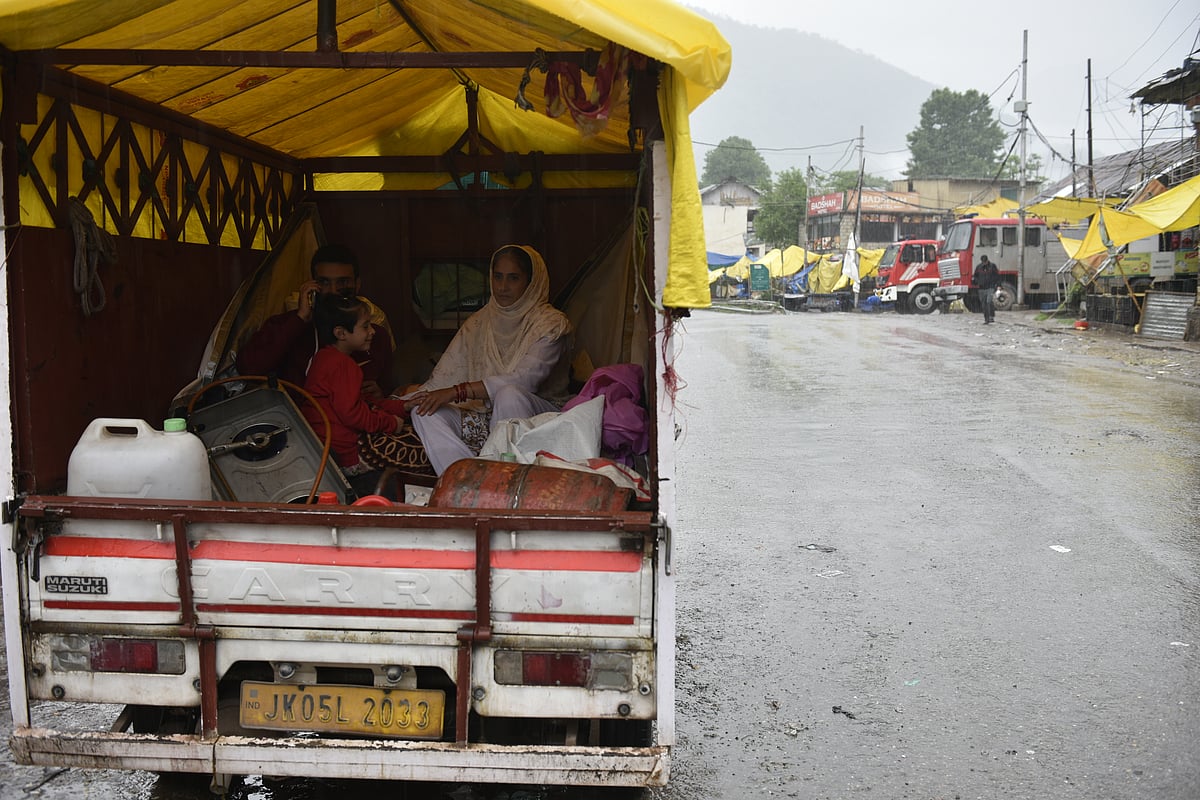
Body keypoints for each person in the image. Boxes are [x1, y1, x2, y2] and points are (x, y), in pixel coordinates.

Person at [408, 244, 572, 475]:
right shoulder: (479, 321)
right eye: (498, 277)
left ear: (531, 282)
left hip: (538, 418)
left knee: (509, 394)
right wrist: (406, 398)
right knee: (423, 411)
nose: (503, 287)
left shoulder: (550, 324)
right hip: (485, 417)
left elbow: (526, 381)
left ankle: (504, 480)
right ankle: (465, 480)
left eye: (513, 278)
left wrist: (457, 392)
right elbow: (443, 378)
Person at [237, 244, 394, 399]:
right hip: (300, 421)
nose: (333, 291)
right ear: (312, 286)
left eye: (343, 282)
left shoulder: (374, 336)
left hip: (358, 420)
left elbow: (389, 389)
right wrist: (300, 319)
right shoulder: (289, 325)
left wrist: (381, 395)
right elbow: (249, 369)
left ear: (357, 284)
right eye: (324, 282)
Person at [301, 293, 407, 484]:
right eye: (365, 326)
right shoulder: (343, 365)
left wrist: (400, 407)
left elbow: (363, 401)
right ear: (341, 333)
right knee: (409, 448)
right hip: (344, 455)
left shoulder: (323, 358)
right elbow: (352, 414)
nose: (373, 331)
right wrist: (391, 423)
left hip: (320, 446)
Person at [973, 254, 1000, 324]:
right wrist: (977, 282)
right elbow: (975, 276)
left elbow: (997, 276)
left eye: (985, 261)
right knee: (984, 304)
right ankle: (986, 319)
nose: (984, 263)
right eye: (983, 262)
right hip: (981, 288)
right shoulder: (979, 267)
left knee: (989, 301)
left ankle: (991, 316)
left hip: (990, 287)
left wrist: (998, 285)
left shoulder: (992, 266)